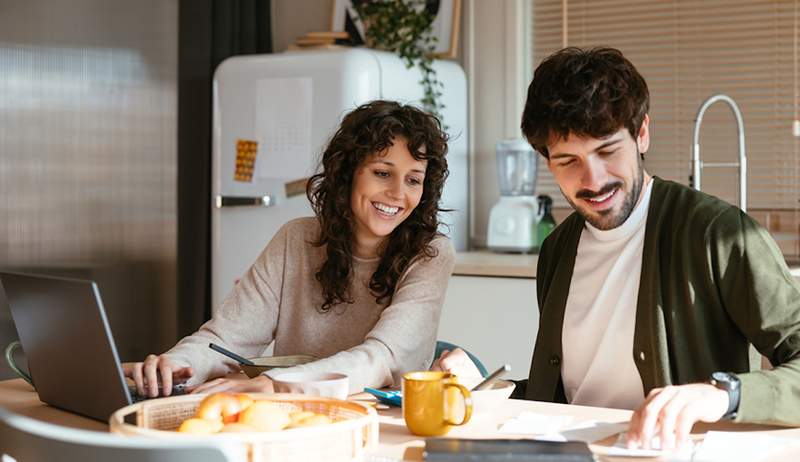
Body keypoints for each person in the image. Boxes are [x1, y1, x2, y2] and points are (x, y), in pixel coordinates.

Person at [436, 47, 800, 450]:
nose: (592, 180)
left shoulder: (720, 235)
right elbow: (574, 401)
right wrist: (489, 387)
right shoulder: (559, 247)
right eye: (568, 161)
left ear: (642, 133)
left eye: (607, 151)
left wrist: (721, 395)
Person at [125, 100, 455, 398]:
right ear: (348, 174)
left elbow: (381, 360)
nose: (398, 193)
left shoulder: (430, 254)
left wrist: (277, 383)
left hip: (378, 430)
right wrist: (176, 364)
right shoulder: (296, 238)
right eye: (383, 173)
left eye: (413, 179)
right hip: (290, 422)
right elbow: (225, 339)